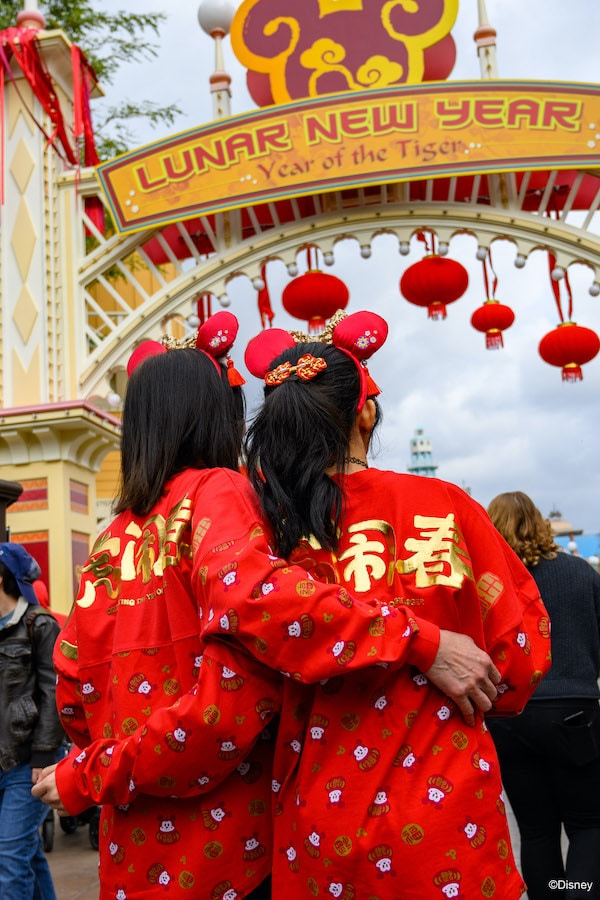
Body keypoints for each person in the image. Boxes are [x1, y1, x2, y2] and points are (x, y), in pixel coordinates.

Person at [33, 312, 501, 900]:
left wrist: (96, 769)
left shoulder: (110, 538)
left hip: (131, 850)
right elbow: (236, 685)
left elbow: (73, 685)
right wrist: (420, 640)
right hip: (223, 849)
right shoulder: (217, 492)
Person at [243, 309, 551, 899]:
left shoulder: (266, 531)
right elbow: (519, 657)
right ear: (365, 410)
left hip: (321, 823)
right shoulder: (443, 504)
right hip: (448, 818)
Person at [486, 491, 600, 900]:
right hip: (574, 712)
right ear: (541, 523)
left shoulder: (489, 584)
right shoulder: (580, 573)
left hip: (509, 716)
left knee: (536, 830)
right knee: (588, 824)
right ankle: (580, 892)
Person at [0, 541, 64, 899]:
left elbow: (53, 694)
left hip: (25, 763)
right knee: (26, 854)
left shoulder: (38, 625)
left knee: (9, 861)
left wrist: (44, 755)